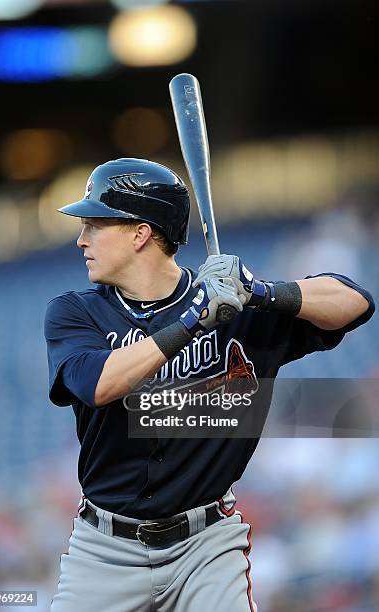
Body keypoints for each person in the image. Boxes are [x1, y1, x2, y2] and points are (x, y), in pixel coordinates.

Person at [44, 157, 374, 612]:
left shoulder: (233, 304)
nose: (82, 239)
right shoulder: (75, 311)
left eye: (95, 225)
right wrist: (191, 321)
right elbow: (97, 384)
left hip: (207, 545)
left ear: (140, 233)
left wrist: (260, 291)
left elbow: (356, 303)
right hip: (106, 550)